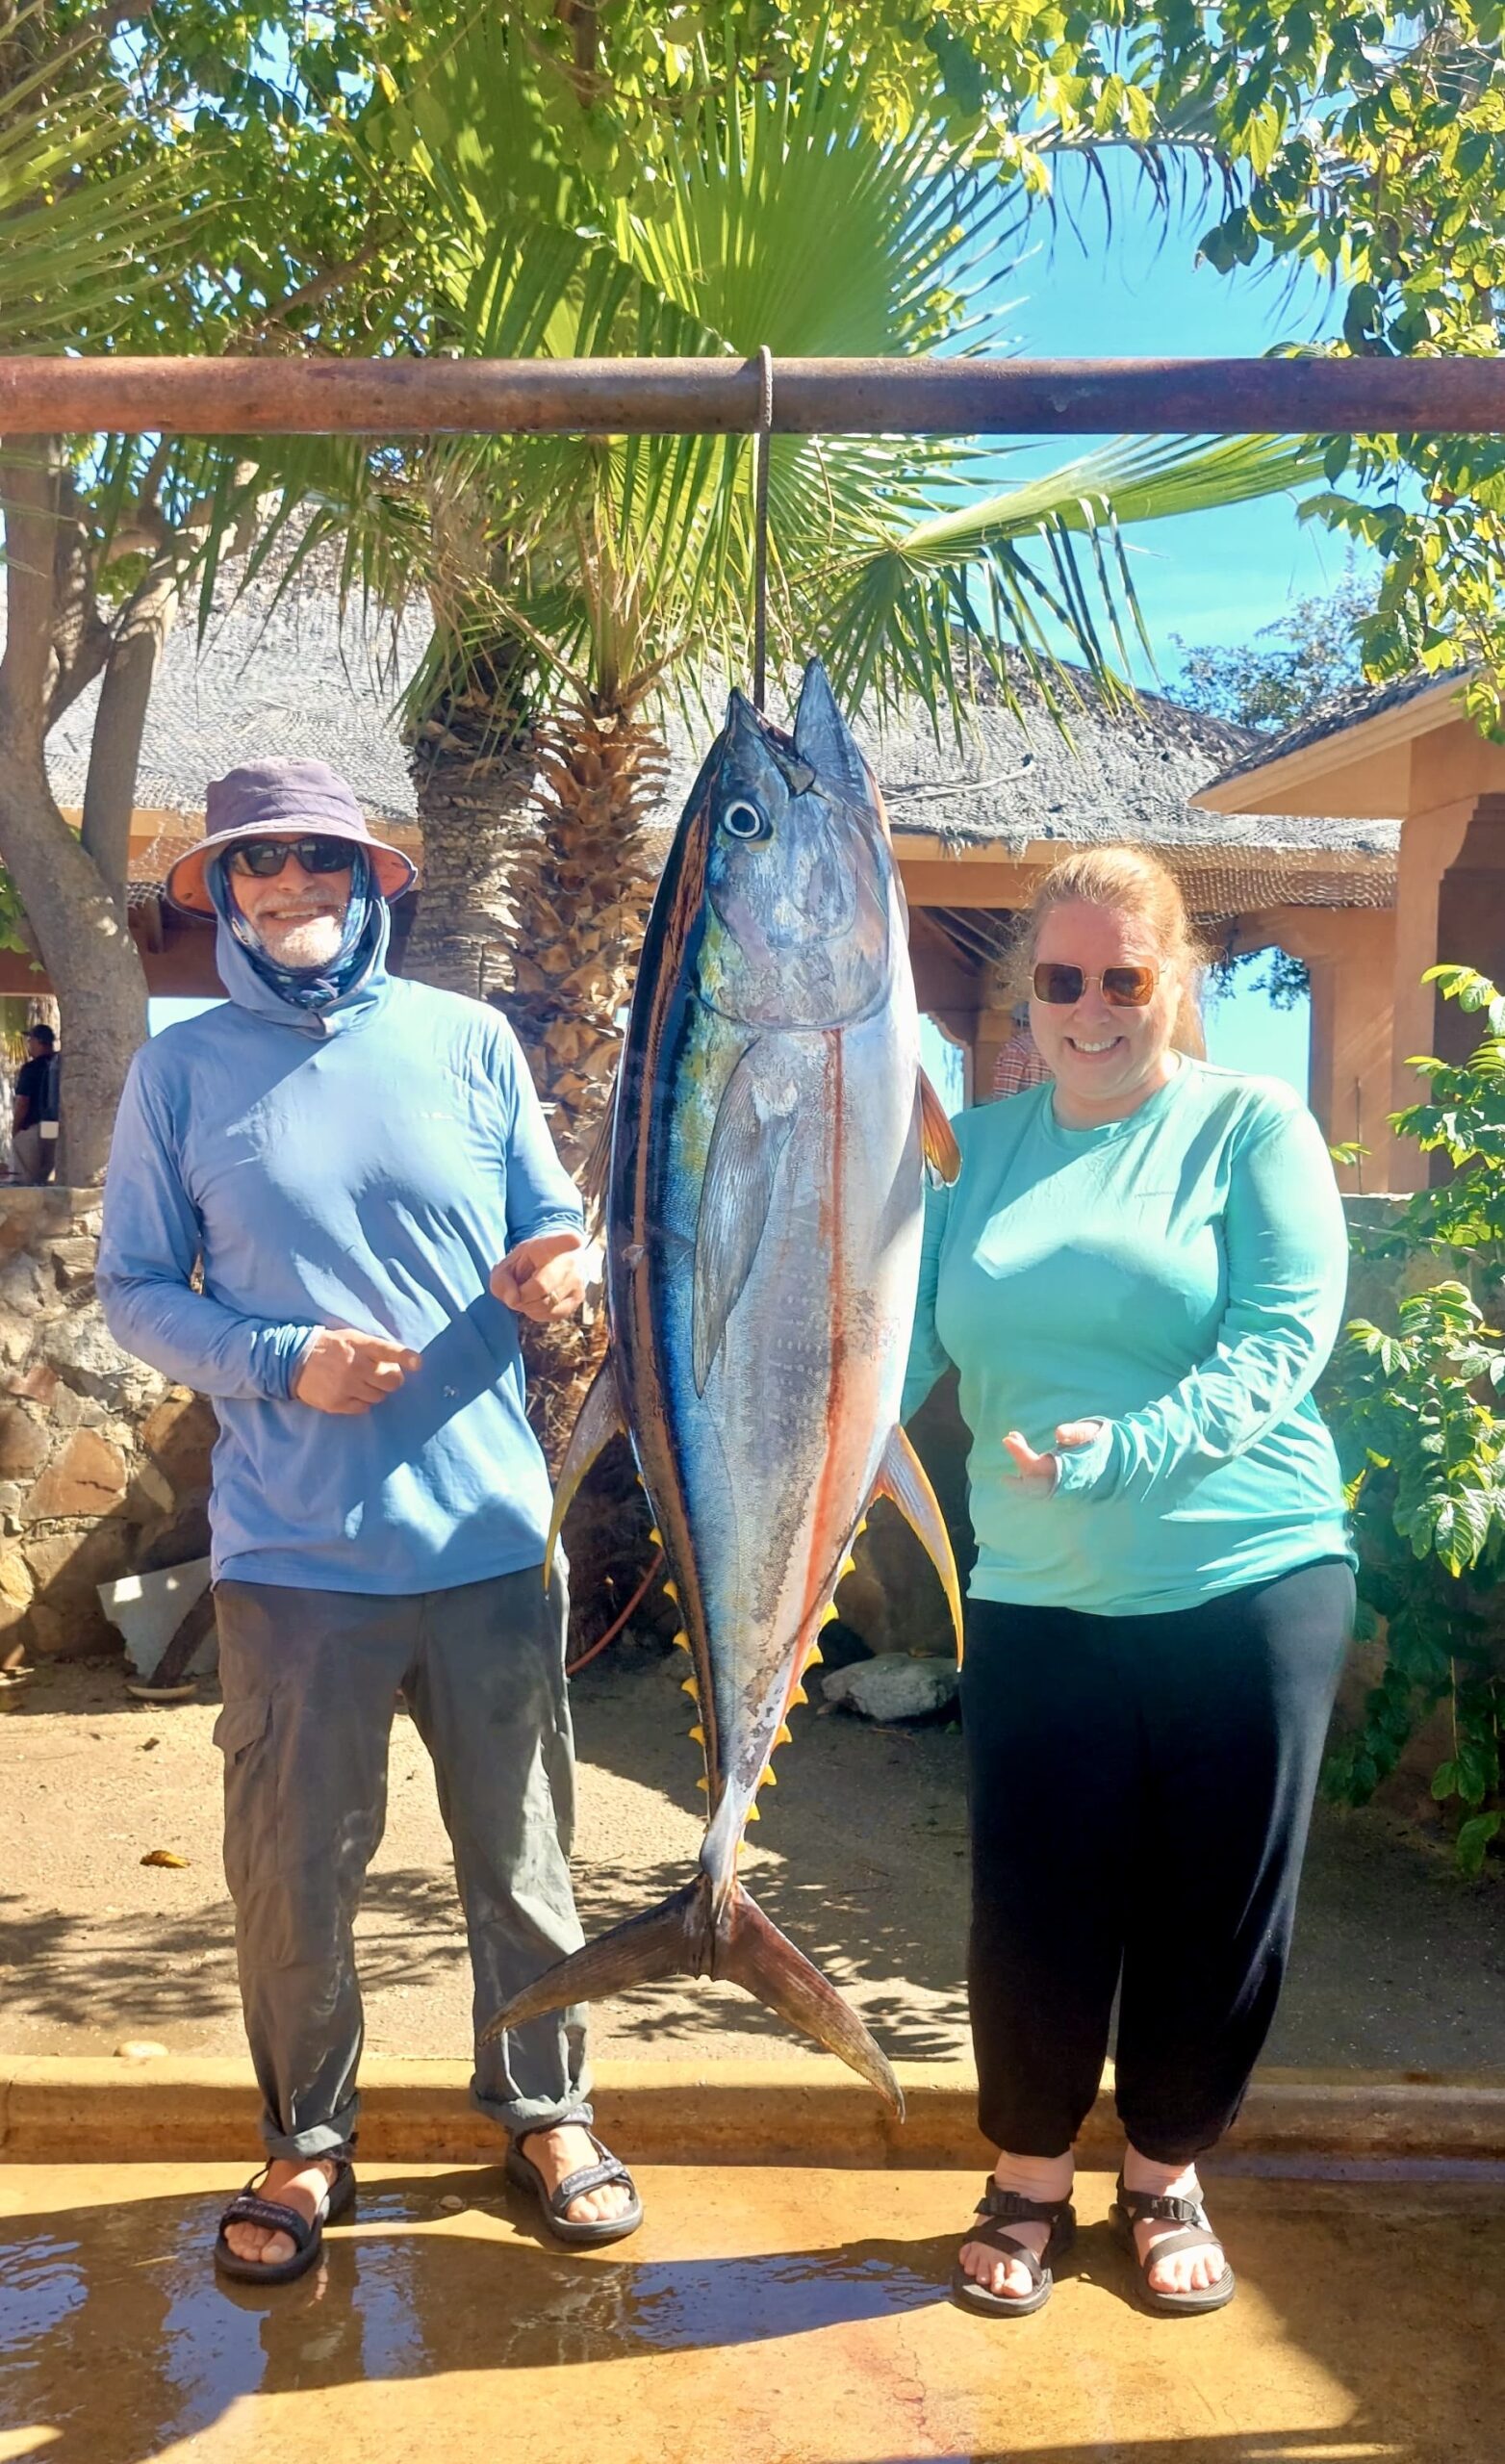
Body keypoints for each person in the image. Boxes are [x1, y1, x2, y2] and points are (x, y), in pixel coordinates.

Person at [98, 757, 639, 2286]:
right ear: (222, 898)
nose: (288, 892)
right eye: (253, 871)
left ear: (367, 881)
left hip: (483, 1547)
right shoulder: (180, 1074)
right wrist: (286, 1365)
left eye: (317, 864)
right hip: (293, 1564)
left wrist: (558, 1271)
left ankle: (544, 2111)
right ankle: (306, 2142)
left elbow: (548, 1224)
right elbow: (135, 1292)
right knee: (294, 1876)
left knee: (525, 1859)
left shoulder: (469, 1044)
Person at [903, 844, 1353, 2323]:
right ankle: (1027, 2177)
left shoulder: (1250, 1129)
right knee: (1034, 1905)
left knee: (1213, 1906)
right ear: (1024, 991)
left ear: (1176, 984)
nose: (1089, 1006)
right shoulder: (975, 1156)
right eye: (1060, 979)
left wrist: (1134, 1447)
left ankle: (1165, 2170)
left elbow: (1282, 1342)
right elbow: (893, 1351)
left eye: (1122, 977)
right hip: (1037, 1595)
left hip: (1246, 1581)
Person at [12, 1023, 59, 1183]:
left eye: (30, 1039)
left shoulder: (31, 1069)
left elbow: (23, 1102)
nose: (29, 1044)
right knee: (46, 1176)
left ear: (38, 1042)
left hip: (33, 1128)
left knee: (25, 1179)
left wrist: (16, 1129)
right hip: (53, 1126)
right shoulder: (59, 1065)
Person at [989, 1003, 1051, 1099]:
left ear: (1014, 1022)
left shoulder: (1016, 1049)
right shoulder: (1049, 1047)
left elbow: (1005, 1098)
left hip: (1022, 1112)